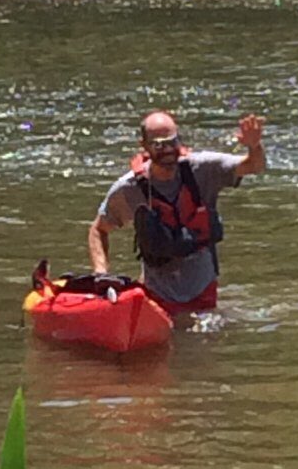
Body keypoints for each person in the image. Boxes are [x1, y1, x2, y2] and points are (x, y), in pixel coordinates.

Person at [88, 110, 266, 315]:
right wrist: (101, 273)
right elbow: (98, 230)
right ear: (144, 146)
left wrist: (254, 146)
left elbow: (254, 166)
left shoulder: (204, 170)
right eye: (158, 144)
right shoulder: (130, 189)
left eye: (172, 141)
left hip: (203, 291)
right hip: (158, 296)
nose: (167, 149)